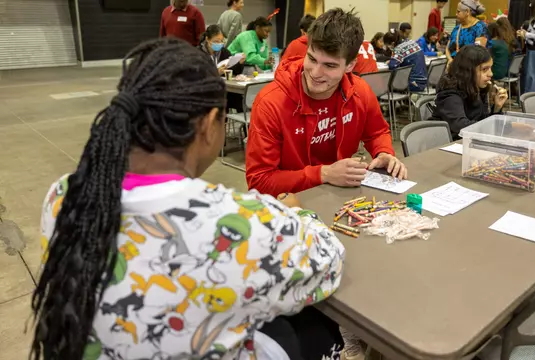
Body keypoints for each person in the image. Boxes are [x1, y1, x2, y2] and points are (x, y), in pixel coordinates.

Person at [30, 37, 347, 360]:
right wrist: (298, 215)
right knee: (317, 329)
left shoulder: (65, 194)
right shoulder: (236, 223)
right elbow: (330, 264)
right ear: (210, 125)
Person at [245, 8, 407, 198]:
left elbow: (377, 132)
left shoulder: (359, 91)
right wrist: (325, 173)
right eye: (312, 59)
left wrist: (383, 152)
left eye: (329, 65)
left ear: (350, 66)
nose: (315, 73)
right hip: (290, 204)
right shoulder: (270, 103)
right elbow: (259, 181)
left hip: (338, 197)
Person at [431, 45, 508, 140]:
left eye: (490, 68)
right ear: (468, 71)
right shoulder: (449, 93)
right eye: (485, 69)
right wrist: (491, 127)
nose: (491, 74)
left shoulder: (476, 87)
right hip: (446, 145)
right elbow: (461, 126)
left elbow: (481, 120)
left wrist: (497, 108)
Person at [198, 25, 245, 113]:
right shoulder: (198, 53)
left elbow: (234, 71)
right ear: (207, 39)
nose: (219, 44)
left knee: (240, 99)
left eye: (221, 41)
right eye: (216, 41)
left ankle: (245, 125)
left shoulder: (224, 52)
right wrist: (216, 72)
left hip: (224, 91)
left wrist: (239, 63)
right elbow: (197, 75)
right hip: (205, 92)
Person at [517, 0, 535, 93]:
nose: (529, 5)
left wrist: (526, 35)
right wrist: (524, 36)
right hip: (531, 50)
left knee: (534, 77)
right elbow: (532, 40)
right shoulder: (533, 18)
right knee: (531, 77)